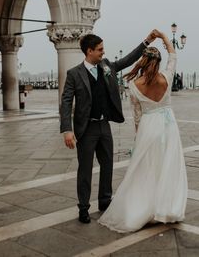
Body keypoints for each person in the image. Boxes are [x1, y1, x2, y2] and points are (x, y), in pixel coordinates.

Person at [60, 31, 156, 224]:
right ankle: (84, 208)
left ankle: (105, 201)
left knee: (108, 165)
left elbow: (127, 60)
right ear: (89, 51)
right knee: (85, 169)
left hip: (104, 126)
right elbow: (66, 101)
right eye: (100, 50)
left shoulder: (107, 67)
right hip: (85, 129)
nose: (103, 53)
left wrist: (146, 41)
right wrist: (67, 130)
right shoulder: (74, 74)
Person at [98, 30, 187, 233]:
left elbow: (137, 116)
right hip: (168, 127)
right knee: (168, 166)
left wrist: (139, 137)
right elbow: (173, 56)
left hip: (148, 127)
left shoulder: (133, 85)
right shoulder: (167, 77)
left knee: (145, 169)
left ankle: (143, 206)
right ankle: (167, 207)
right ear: (157, 62)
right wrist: (165, 38)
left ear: (142, 62)